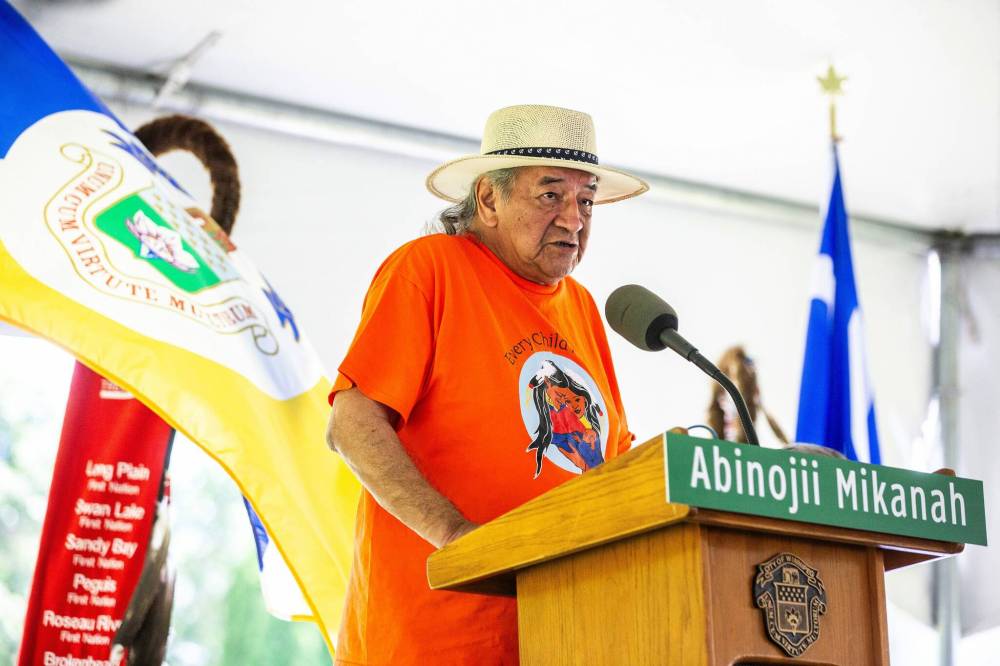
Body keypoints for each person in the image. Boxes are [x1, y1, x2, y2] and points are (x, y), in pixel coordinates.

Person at [326, 104, 648, 665]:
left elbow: (607, 465)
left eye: (586, 200)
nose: (574, 220)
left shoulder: (582, 308)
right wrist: (457, 536)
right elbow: (351, 424)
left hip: (562, 639)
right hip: (432, 643)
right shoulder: (430, 268)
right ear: (488, 200)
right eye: (550, 195)